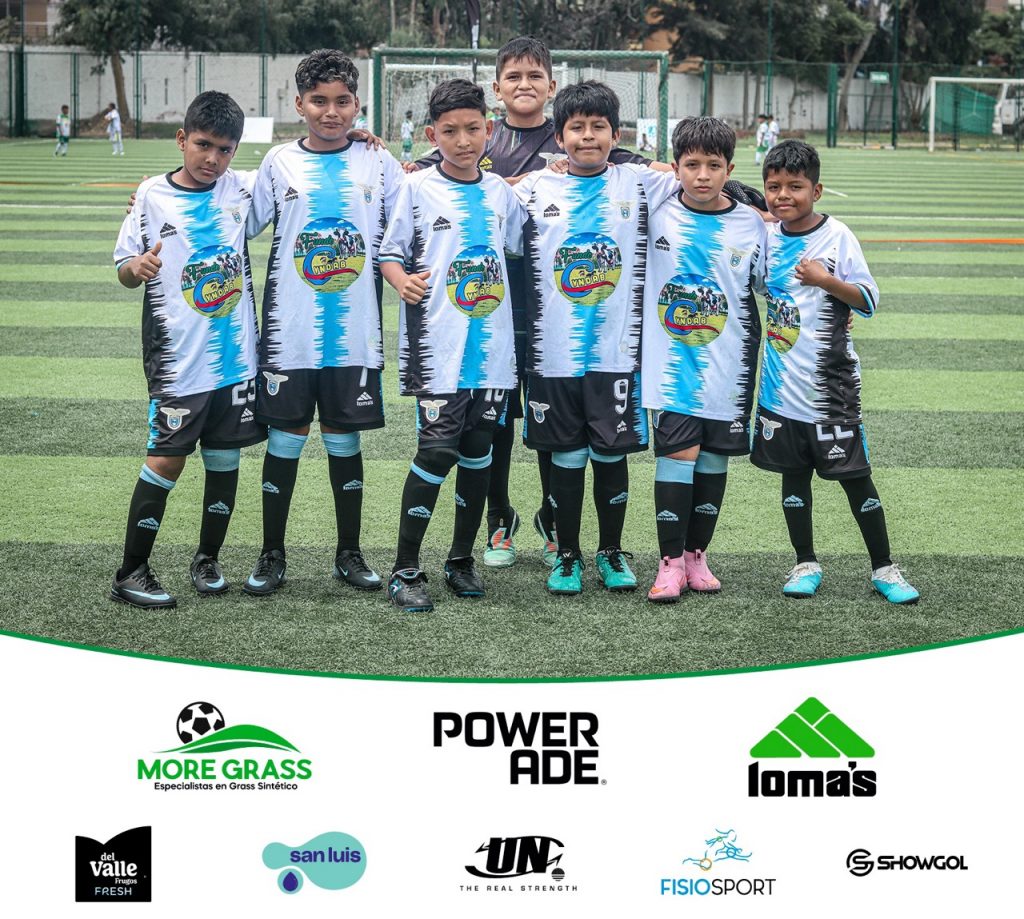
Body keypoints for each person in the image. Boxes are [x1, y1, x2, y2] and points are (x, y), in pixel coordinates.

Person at [409, 37, 674, 572]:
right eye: (514, 76)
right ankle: (499, 517)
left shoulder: (584, 142)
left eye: (535, 76)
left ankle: (555, 525)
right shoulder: (478, 138)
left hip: (555, 314)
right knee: (497, 426)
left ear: (552, 87)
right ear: (497, 88)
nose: (524, 84)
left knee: (560, 427)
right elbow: (433, 176)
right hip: (492, 313)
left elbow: (648, 168)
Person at [242, 49, 404, 597]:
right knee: (285, 438)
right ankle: (271, 553)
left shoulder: (378, 161)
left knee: (343, 439)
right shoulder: (278, 162)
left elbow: (417, 207)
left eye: (342, 101)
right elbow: (238, 216)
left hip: (355, 336)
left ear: (357, 104)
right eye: (319, 101)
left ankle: (349, 553)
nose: (331, 112)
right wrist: (158, 192)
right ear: (299, 104)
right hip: (289, 334)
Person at [513, 80, 679, 596]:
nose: (588, 136)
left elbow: (702, 181)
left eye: (598, 127)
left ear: (616, 135)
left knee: (610, 456)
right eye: (577, 128)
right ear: (558, 137)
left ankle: (611, 551)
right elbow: (475, 192)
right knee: (565, 458)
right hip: (552, 354)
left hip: (616, 353)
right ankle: (567, 555)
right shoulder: (533, 189)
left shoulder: (641, 183)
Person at [110, 91, 263, 609]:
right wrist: (137, 268)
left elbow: (301, 168)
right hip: (177, 361)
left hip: (236, 358)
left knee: (224, 461)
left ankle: (207, 560)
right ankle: (131, 571)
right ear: (181, 139)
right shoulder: (151, 195)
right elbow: (124, 267)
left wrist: (362, 139)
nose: (212, 159)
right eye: (202, 145)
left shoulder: (241, 189)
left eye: (224, 150)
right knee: (166, 461)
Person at [751, 139, 919, 605]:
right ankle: (805, 562)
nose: (783, 196)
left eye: (795, 187)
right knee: (793, 477)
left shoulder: (837, 236)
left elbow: (867, 300)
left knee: (855, 476)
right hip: (780, 386)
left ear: (817, 190)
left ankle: (884, 567)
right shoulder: (767, 237)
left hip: (831, 387)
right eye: (774, 187)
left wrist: (827, 282)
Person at [379, 79, 523, 613]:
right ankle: (404, 569)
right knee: (437, 451)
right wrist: (400, 280)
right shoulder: (415, 189)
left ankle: (460, 560)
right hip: (438, 348)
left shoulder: (501, 192)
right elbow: (389, 253)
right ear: (431, 134)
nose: (463, 141)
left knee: (479, 451)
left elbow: (518, 245)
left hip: (491, 352)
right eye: (450, 131)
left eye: (472, 129)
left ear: (489, 129)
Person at [642, 117, 766, 602]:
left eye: (713, 165)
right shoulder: (656, 210)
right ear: (675, 167)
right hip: (671, 365)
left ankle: (697, 556)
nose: (702, 175)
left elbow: (770, 283)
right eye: (691, 164)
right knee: (678, 456)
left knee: (714, 459)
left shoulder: (751, 223)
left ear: (729, 170)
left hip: (729, 361)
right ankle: (670, 562)